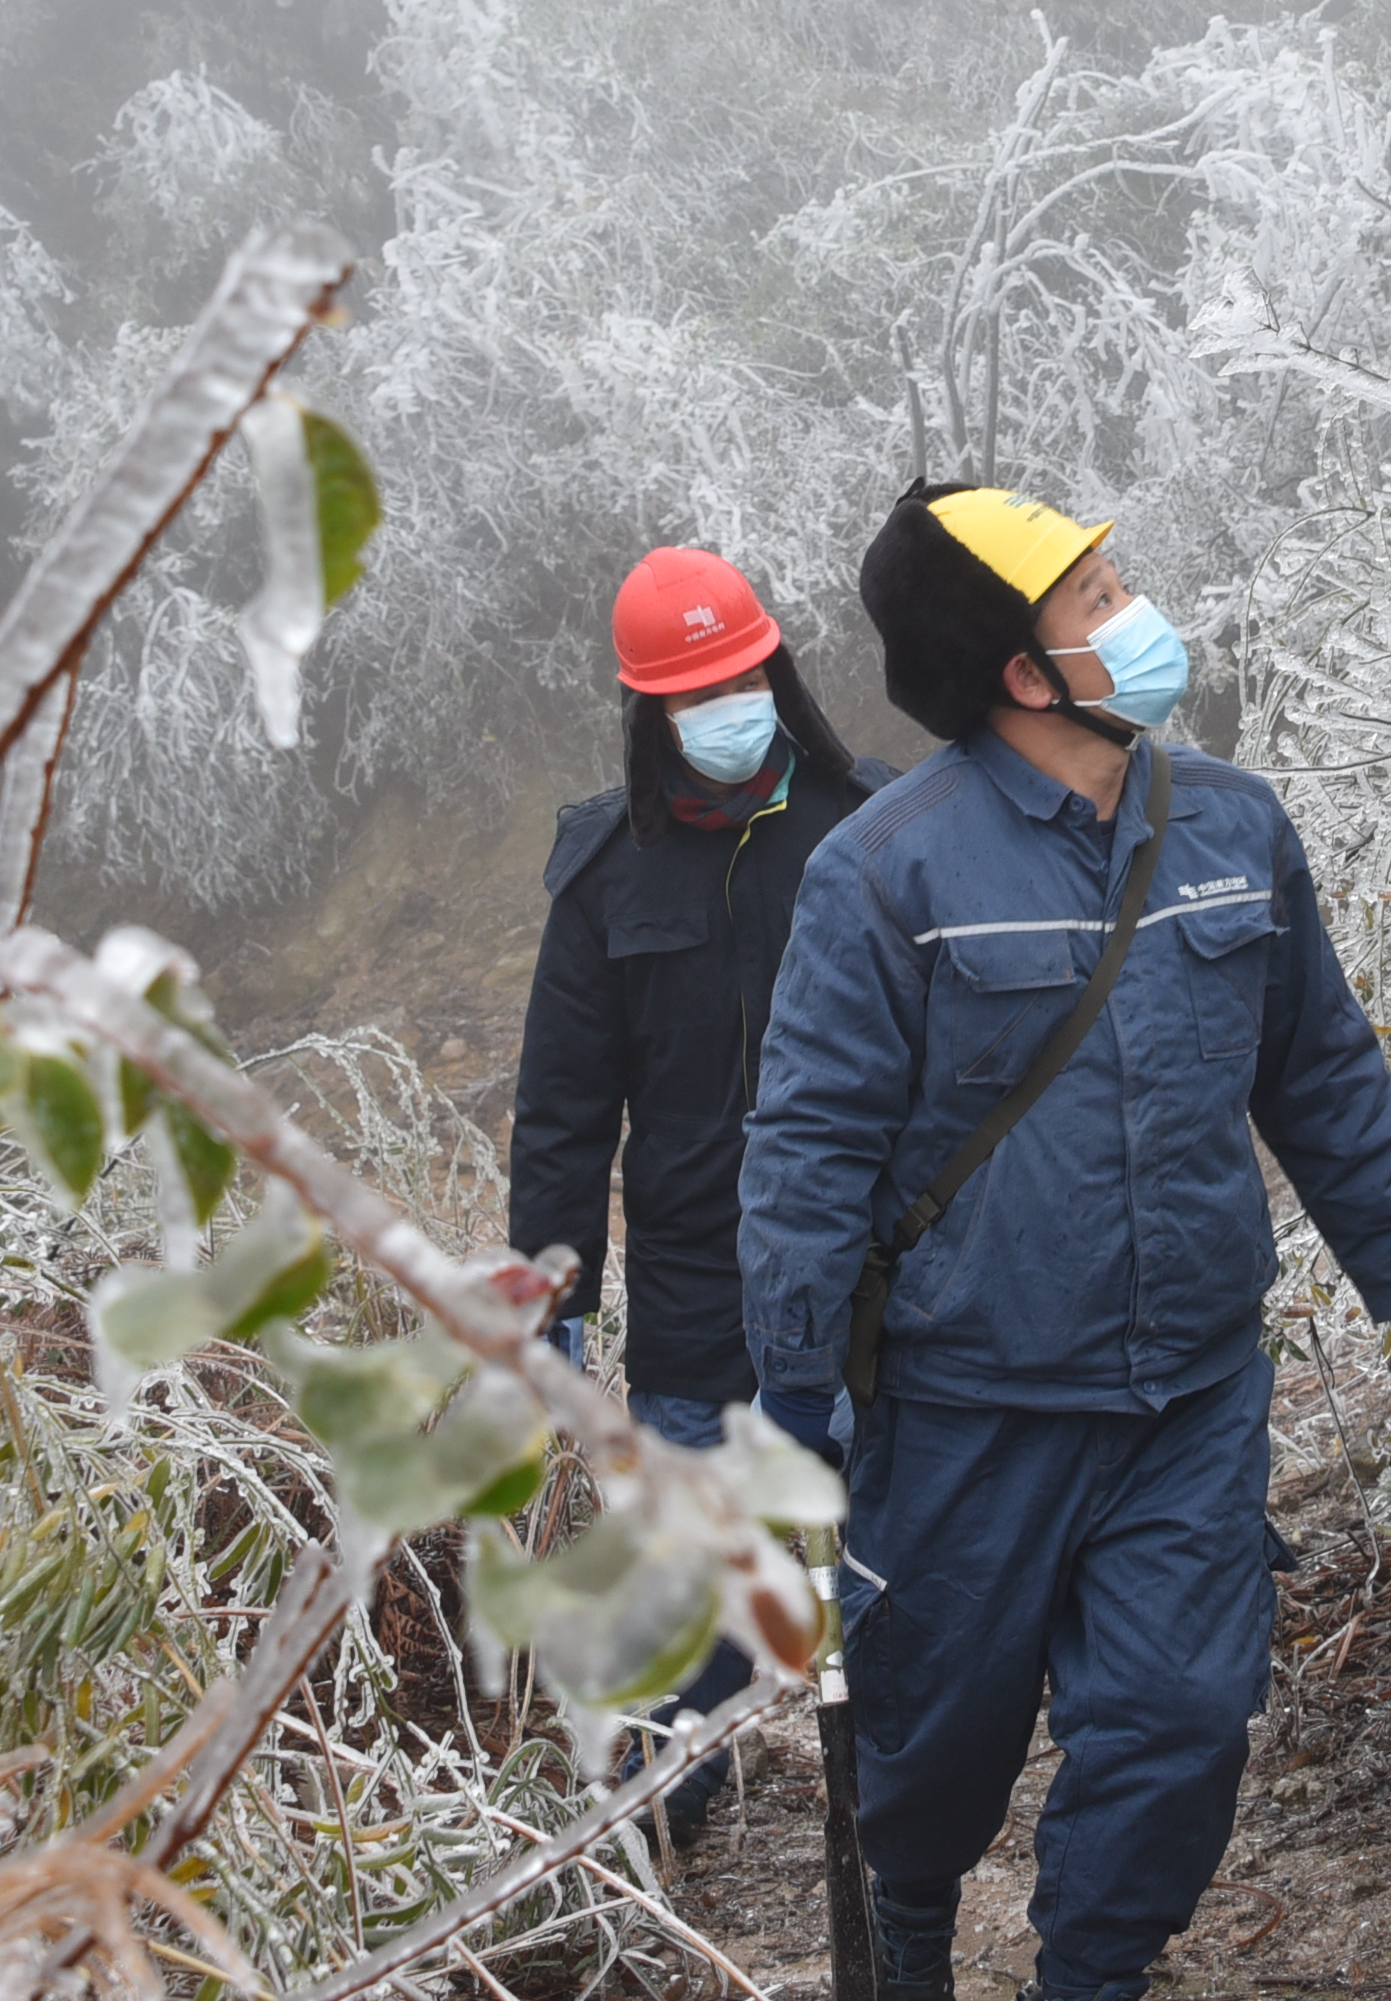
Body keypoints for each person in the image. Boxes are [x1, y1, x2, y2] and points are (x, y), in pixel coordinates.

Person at [739, 482, 1391, 2001]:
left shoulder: (1232, 826)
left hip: (1188, 1400)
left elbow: (1318, 1065)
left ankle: (1094, 1973)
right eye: (1095, 597)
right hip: (966, 1410)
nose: (1135, 613)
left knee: (1181, 1725)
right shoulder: (885, 874)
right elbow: (810, 1143)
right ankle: (914, 1935)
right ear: (1020, 669)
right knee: (931, 1746)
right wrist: (797, 1382)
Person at [505, 542, 889, 1849]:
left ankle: (894, 1826)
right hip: (695, 1291)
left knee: (894, 1560)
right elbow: (565, 1102)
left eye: (744, 678)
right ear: (649, 712)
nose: (727, 711)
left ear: (777, 672)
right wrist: (553, 1282)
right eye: (694, 694)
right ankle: (658, 1820)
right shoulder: (606, 872)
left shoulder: (872, 829)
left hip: (874, 1285)